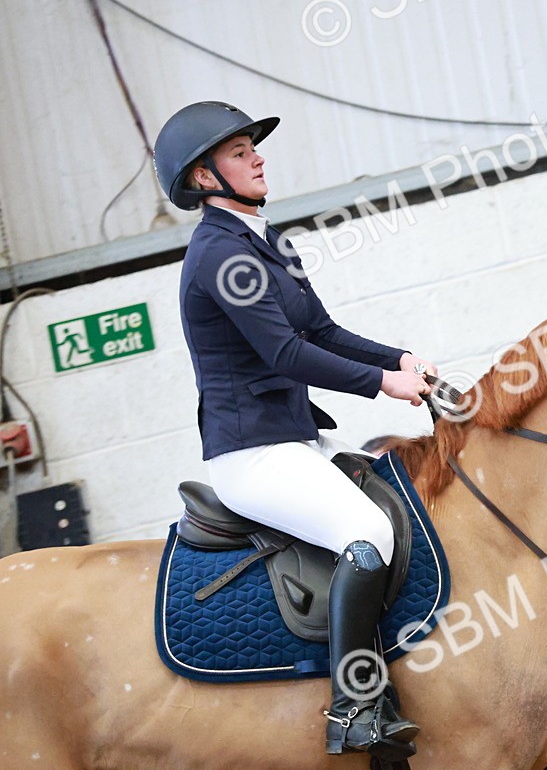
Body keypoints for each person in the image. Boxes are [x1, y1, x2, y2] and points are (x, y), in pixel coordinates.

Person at [153, 101, 436, 761]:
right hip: (251, 454)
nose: (256, 156)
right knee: (367, 533)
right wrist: (382, 386)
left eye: (253, 146)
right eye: (238, 151)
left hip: (294, 439)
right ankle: (354, 708)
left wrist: (397, 358)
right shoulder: (219, 254)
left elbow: (322, 333)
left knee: (401, 491)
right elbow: (285, 354)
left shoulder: (269, 241)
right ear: (202, 177)